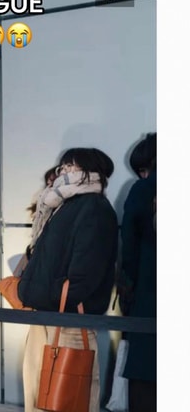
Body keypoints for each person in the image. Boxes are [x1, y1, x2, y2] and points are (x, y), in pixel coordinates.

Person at [17, 147, 119, 412]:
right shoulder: (61, 205)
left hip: (70, 323)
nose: (65, 171)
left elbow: (85, 276)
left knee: (67, 402)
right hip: (46, 317)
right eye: (63, 166)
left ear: (91, 172)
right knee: (37, 400)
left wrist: (43, 293)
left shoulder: (95, 208)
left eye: (73, 166)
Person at [119, 133, 157, 412]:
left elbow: (129, 250)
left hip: (150, 300)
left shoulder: (144, 190)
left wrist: (127, 291)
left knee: (147, 386)